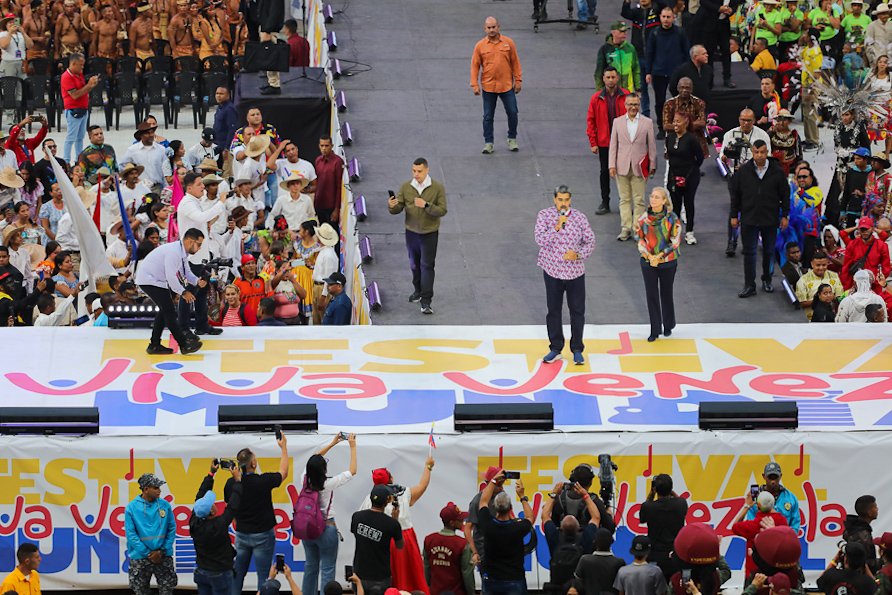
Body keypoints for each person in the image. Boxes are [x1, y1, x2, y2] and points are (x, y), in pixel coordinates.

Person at [535, 185, 595, 365]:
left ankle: (577, 349)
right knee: (553, 310)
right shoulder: (544, 216)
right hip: (552, 271)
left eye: (566, 200)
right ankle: (555, 348)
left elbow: (590, 241)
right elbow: (540, 240)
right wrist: (556, 227)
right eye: (560, 200)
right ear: (555, 199)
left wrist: (578, 255)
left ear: (570, 200)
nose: (563, 203)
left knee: (577, 311)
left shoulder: (579, 218)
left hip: (575, 272)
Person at [225, 430, 289, 595]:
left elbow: (230, 505)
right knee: (264, 577)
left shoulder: (230, 484)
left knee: (237, 574)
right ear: (253, 464)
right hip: (262, 535)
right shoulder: (263, 481)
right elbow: (283, 473)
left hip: (241, 534)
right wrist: (283, 448)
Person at [730, 140, 790, 297]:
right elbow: (735, 195)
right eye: (756, 152)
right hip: (749, 218)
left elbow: (785, 195)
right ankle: (749, 285)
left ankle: (767, 279)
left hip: (769, 218)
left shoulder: (777, 172)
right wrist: (733, 215)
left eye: (762, 152)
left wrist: (785, 215)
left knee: (769, 251)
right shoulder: (743, 171)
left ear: (767, 152)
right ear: (752, 152)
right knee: (749, 253)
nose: (759, 155)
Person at [387, 158, 446, 314]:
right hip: (411, 232)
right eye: (414, 171)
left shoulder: (437, 188)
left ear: (427, 170)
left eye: (419, 171)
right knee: (414, 265)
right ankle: (418, 290)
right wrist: (392, 206)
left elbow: (442, 210)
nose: (416, 174)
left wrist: (426, 205)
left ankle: (426, 301)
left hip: (429, 233)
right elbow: (398, 207)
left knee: (427, 265)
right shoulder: (407, 187)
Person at [134, 227, 206, 355]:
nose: (200, 248)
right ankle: (184, 345)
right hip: (150, 280)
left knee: (165, 311)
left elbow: (186, 272)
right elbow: (171, 276)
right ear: (190, 241)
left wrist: (197, 281)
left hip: (155, 280)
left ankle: (154, 344)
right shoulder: (175, 252)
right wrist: (183, 292)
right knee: (169, 312)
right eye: (199, 244)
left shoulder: (181, 252)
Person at [301, 433, 357, 595]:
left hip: (306, 527)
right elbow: (352, 470)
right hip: (326, 527)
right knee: (327, 568)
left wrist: (332, 443)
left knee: (310, 566)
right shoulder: (328, 483)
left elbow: (313, 459)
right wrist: (352, 446)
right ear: (323, 470)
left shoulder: (304, 478)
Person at [176, 172, 226, 336]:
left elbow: (202, 221)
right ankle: (182, 328)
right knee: (189, 292)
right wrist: (220, 203)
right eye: (199, 184)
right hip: (191, 257)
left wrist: (211, 221)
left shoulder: (195, 202)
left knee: (203, 292)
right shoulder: (187, 203)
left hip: (202, 255)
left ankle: (201, 325)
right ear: (189, 187)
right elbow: (201, 217)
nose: (203, 187)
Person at [477, 468, 535, 595]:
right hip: (514, 579)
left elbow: (483, 501)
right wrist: (522, 496)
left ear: (495, 507)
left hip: (492, 580)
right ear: (510, 508)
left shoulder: (488, 526)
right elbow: (530, 518)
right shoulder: (517, 528)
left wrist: (493, 480)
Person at [470, 16, 522, 154]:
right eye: (489, 27)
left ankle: (512, 138)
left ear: (498, 27)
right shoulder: (480, 46)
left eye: (494, 27)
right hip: (488, 87)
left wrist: (518, 81)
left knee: (512, 112)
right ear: (484, 28)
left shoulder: (508, 43)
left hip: (506, 86)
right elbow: (475, 66)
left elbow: (515, 62)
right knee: (488, 116)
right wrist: (474, 85)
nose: (491, 30)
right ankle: (488, 143)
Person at [609, 92, 656, 241]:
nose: (633, 107)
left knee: (639, 199)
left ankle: (637, 229)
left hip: (639, 167)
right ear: (625, 105)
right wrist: (611, 165)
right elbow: (613, 146)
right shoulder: (617, 122)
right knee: (624, 199)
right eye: (630, 104)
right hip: (621, 166)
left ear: (639, 105)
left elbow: (652, 146)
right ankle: (625, 228)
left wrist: (652, 164)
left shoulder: (647, 123)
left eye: (635, 104)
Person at [191, 460, 242, 595]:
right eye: (212, 504)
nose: (214, 504)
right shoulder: (219, 524)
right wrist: (237, 481)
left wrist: (211, 473)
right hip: (220, 574)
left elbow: (200, 496)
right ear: (212, 511)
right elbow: (233, 505)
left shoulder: (194, 522)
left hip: (202, 572)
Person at [638, 187, 681, 342]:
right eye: (652, 196)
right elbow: (639, 238)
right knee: (651, 294)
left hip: (667, 262)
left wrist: (660, 256)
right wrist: (649, 255)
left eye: (657, 197)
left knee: (666, 292)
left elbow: (675, 241)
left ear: (664, 201)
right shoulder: (643, 218)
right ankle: (654, 329)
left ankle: (668, 324)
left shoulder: (672, 218)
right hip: (648, 261)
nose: (653, 199)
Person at [541, 482, 600, 589]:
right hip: (580, 587)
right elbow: (596, 517)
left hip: (557, 586)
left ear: (561, 528)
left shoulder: (554, 537)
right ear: (579, 528)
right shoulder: (585, 538)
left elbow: (545, 515)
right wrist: (585, 495)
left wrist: (554, 493)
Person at [125, 473, 177, 595]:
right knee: (140, 591)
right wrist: (148, 553)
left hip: (163, 555)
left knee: (167, 590)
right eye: (156, 487)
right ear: (146, 489)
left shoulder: (165, 505)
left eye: (159, 487)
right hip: (140, 557)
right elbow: (131, 534)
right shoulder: (131, 507)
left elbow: (171, 528)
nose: (159, 491)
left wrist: (162, 551)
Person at [587, 67, 629, 214]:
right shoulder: (596, 98)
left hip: (623, 142)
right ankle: (605, 202)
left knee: (624, 172)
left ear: (617, 78)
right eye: (608, 77)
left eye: (613, 77)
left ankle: (626, 202)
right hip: (605, 142)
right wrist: (593, 142)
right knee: (604, 171)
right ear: (603, 79)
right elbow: (591, 121)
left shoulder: (626, 96)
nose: (611, 80)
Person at [352, 484, 405, 594]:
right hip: (380, 578)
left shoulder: (357, 517)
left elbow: (355, 532)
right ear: (387, 501)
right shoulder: (392, 524)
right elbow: (400, 545)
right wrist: (395, 521)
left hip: (359, 574)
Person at [645, 7, 689, 140]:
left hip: (676, 72)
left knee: (680, 101)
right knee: (660, 102)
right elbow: (649, 54)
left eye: (668, 17)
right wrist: (648, 72)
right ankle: (662, 127)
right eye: (663, 17)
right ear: (660, 17)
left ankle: (680, 126)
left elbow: (686, 51)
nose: (666, 19)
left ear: (673, 18)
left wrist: (686, 71)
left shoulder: (680, 32)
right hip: (658, 72)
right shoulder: (654, 33)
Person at [639, 474, 687, 582]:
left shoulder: (648, 507)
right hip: (676, 554)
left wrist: (652, 493)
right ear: (671, 488)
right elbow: (678, 500)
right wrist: (670, 490)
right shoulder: (681, 503)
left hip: (656, 555)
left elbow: (643, 518)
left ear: (655, 488)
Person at [666, 112, 704, 245]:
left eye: (678, 121)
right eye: (674, 121)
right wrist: (672, 176)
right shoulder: (670, 137)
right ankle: (675, 233)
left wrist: (689, 174)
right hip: (673, 176)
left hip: (690, 177)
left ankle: (689, 232)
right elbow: (669, 157)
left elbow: (699, 158)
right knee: (675, 206)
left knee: (688, 204)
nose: (675, 124)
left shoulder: (692, 139)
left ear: (686, 122)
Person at [424, 503, 476, 595]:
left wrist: (427, 588)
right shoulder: (462, 544)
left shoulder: (429, 540)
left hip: (434, 592)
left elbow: (426, 568)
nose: (462, 521)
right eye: (459, 520)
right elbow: (467, 574)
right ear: (452, 522)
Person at [732, 491, 789, 576]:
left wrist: (747, 506)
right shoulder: (782, 521)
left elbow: (735, 526)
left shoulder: (753, 525)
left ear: (758, 506)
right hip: (776, 572)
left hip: (754, 573)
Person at [60, 53, 98, 165]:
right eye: (81, 65)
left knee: (80, 137)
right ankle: (66, 160)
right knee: (71, 137)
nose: (82, 67)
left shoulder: (79, 74)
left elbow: (83, 90)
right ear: (73, 63)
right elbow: (75, 95)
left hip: (83, 108)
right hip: (73, 110)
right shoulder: (66, 77)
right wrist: (89, 85)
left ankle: (79, 158)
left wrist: (90, 85)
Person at [743, 463, 801, 534]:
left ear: (780, 476)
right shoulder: (755, 496)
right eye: (770, 477)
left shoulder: (790, 497)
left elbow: (795, 525)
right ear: (764, 476)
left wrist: (785, 538)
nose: (773, 481)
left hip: (783, 542)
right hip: (760, 540)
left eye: (775, 477)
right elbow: (750, 523)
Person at [840, 217, 892, 293]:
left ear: (872, 229)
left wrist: (877, 281)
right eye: (862, 229)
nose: (864, 232)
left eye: (866, 229)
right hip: (856, 285)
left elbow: (886, 268)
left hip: (874, 285)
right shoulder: (852, 244)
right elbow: (846, 268)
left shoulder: (881, 245)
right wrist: (847, 288)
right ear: (859, 230)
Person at [662, 78, 708, 158]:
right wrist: (689, 125)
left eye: (687, 88)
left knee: (694, 167)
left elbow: (702, 122)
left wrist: (679, 126)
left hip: (695, 140)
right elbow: (666, 125)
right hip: (675, 140)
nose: (684, 90)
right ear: (678, 88)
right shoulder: (669, 104)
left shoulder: (699, 103)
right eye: (682, 87)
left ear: (692, 89)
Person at [122, 121, 173, 193]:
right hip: (140, 188)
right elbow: (122, 166)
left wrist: (166, 188)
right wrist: (132, 180)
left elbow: (166, 170)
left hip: (157, 188)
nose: (151, 135)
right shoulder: (132, 150)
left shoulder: (161, 149)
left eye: (152, 132)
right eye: (147, 133)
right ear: (141, 136)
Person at [575, 528, 626, 595]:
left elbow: (577, 584)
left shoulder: (585, 560)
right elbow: (622, 588)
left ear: (594, 542)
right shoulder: (620, 562)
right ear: (612, 542)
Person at [795, 252, 843, 320]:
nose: (821, 268)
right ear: (812, 264)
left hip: (831, 319)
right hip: (811, 319)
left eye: (824, 265)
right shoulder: (803, 280)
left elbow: (840, 297)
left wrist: (832, 298)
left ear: (827, 263)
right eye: (818, 265)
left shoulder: (834, 276)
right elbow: (801, 303)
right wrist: (818, 300)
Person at [595, 21, 640, 93]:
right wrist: (599, 91)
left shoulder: (630, 48)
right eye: (621, 32)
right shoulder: (605, 49)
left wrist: (638, 88)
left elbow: (636, 69)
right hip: (611, 92)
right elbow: (599, 73)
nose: (624, 34)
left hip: (628, 92)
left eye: (625, 31)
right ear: (613, 32)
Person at [311, 223, 339, 325]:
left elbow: (329, 279)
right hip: (318, 287)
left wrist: (323, 296)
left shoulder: (328, 255)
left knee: (322, 319)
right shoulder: (324, 251)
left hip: (322, 289)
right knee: (317, 318)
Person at [313, 136, 344, 226]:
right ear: (319, 146)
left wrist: (336, 209)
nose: (324, 148)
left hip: (331, 205)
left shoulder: (337, 162)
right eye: (322, 146)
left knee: (332, 234)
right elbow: (318, 182)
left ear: (332, 146)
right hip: (319, 204)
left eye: (326, 146)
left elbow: (339, 186)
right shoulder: (318, 160)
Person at [845, 495, 879, 573]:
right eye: (875, 507)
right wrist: (883, 561)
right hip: (861, 578)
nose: (877, 509)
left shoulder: (855, 529)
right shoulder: (863, 535)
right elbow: (865, 562)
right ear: (869, 512)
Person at [769, 110, 801, 176]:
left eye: (784, 120)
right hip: (774, 166)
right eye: (779, 120)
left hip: (791, 167)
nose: (781, 123)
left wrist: (799, 167)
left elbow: (799, 154)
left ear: (789, 121)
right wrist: (770, 132)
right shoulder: (771, 134)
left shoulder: (794, 135)